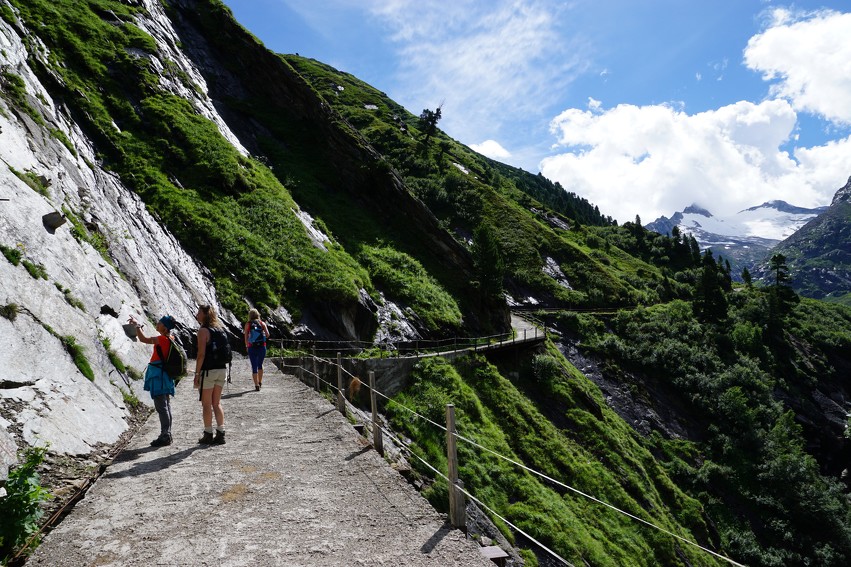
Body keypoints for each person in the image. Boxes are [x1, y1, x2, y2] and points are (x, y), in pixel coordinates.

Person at [130, 314, 177, 447]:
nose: (157, 324)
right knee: (166, 406)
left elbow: (143, 339)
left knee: (162, 407)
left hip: (159, 376)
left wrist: (137, 326)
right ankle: (167, 433)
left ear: (165, 327)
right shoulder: (170, 338)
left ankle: (165, 435)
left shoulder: (162, 339)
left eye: (160, 323)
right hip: (165, 376)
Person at [194, 304, 227, 444]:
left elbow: (201, 354)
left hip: (209, 371)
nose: (197, 314)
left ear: (205, 315)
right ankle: (221, 433)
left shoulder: (203, 331)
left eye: (199, 312)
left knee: (206, 404)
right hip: (222, 370)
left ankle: (208, 433)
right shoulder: (220, 329)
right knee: (217, 403)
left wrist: (197, 374)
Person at [243, 308, 270, 391]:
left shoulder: (248, 324)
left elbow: (246, 336)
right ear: (258, 315)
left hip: (252, 347)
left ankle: (256, 385)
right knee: (260, 365)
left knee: (254, 366)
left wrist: (247, 345)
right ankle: (260, 382)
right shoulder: (262, 323)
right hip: (262, 347)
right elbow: (268, 334)